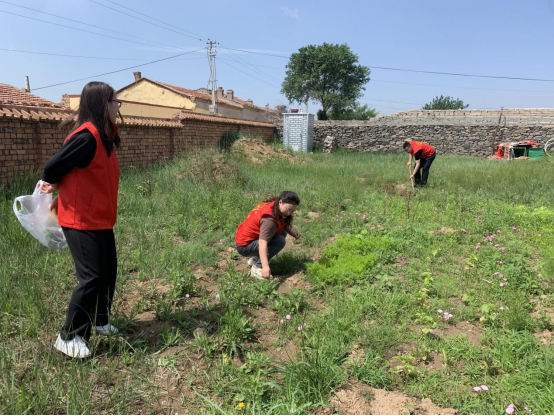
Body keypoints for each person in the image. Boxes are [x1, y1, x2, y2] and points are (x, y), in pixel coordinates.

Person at [41, 82, 122, 358]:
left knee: (108, 271)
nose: (117, 107)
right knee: (92, 277)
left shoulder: (104, 136)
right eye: (115, 102)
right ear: (103, 104)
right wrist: (53, 183)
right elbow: (53, 167)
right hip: (79, 219)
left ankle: (99, 321)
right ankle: (68, 336)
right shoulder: (87, 137)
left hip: (99, 218)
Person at [235, 191, 301, 280]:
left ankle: (256, 259)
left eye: (292, 211)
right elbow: (262, 242)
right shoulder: (269, 220)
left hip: (247, 239)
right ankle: (257, 267)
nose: (289, 213)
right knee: (279, 241)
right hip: (244, 246)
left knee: (282, 232)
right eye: (288, 209)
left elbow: (281, 222)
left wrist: (292, 232)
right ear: (280, 202)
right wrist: (265, 266)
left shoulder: (275, 204)